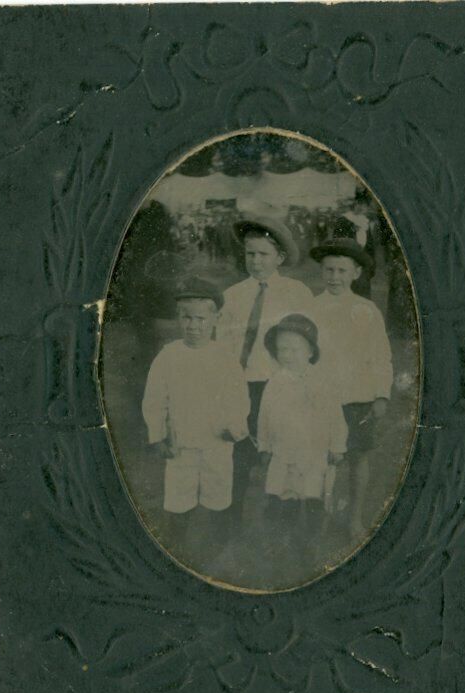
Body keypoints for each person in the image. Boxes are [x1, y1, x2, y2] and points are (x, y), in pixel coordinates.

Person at [142, 277, 249, 557]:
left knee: (218, 494)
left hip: (217, 442)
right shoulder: (169, 356)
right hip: (181, 443)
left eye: (201, 318)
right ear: (179, 318)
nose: (193, 325)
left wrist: (234, 427)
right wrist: (158, 436)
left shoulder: (225, 358)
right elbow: (154, 400)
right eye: (187, 318)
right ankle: (176, 549)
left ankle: (216, 549)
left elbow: (239, 399)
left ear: (215, 319)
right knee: (179, 497)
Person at [218, 211, 313, 524]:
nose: (256, 261)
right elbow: (224, 345)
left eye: (263, 254)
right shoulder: (232, 296)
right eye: (250, 254)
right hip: (241, 384)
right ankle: (231, 516)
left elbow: (308, 343)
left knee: (284, 448)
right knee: (240, 449)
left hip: (279, 384)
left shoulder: (296, 293)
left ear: (280, 257)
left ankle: (283, 515)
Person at [310, 238, 393, 536]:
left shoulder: (366, 309)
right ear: (322, 271)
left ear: (356, 273)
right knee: (322, 458)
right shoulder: (311, 307)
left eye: (342, 271)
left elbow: (381, 356)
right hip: (322, 398)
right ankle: (321, 514)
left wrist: (381, 395)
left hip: (358, 397)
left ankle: (354, 517)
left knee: (358, 456)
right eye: (329, 270)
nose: (335, 277)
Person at [257, 314, 348, 562]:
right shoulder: (275, 383)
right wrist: (264, 445)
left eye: (294, 349)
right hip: (283, 451)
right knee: (284, 495)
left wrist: (337, 446)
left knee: (313, 496)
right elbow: (264, 417)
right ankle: (283, 540)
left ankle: (309, 544)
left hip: (314, 453)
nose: (287, 355)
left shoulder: (323, 382)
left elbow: (336, 417)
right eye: (282, 349)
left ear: (310, 351)